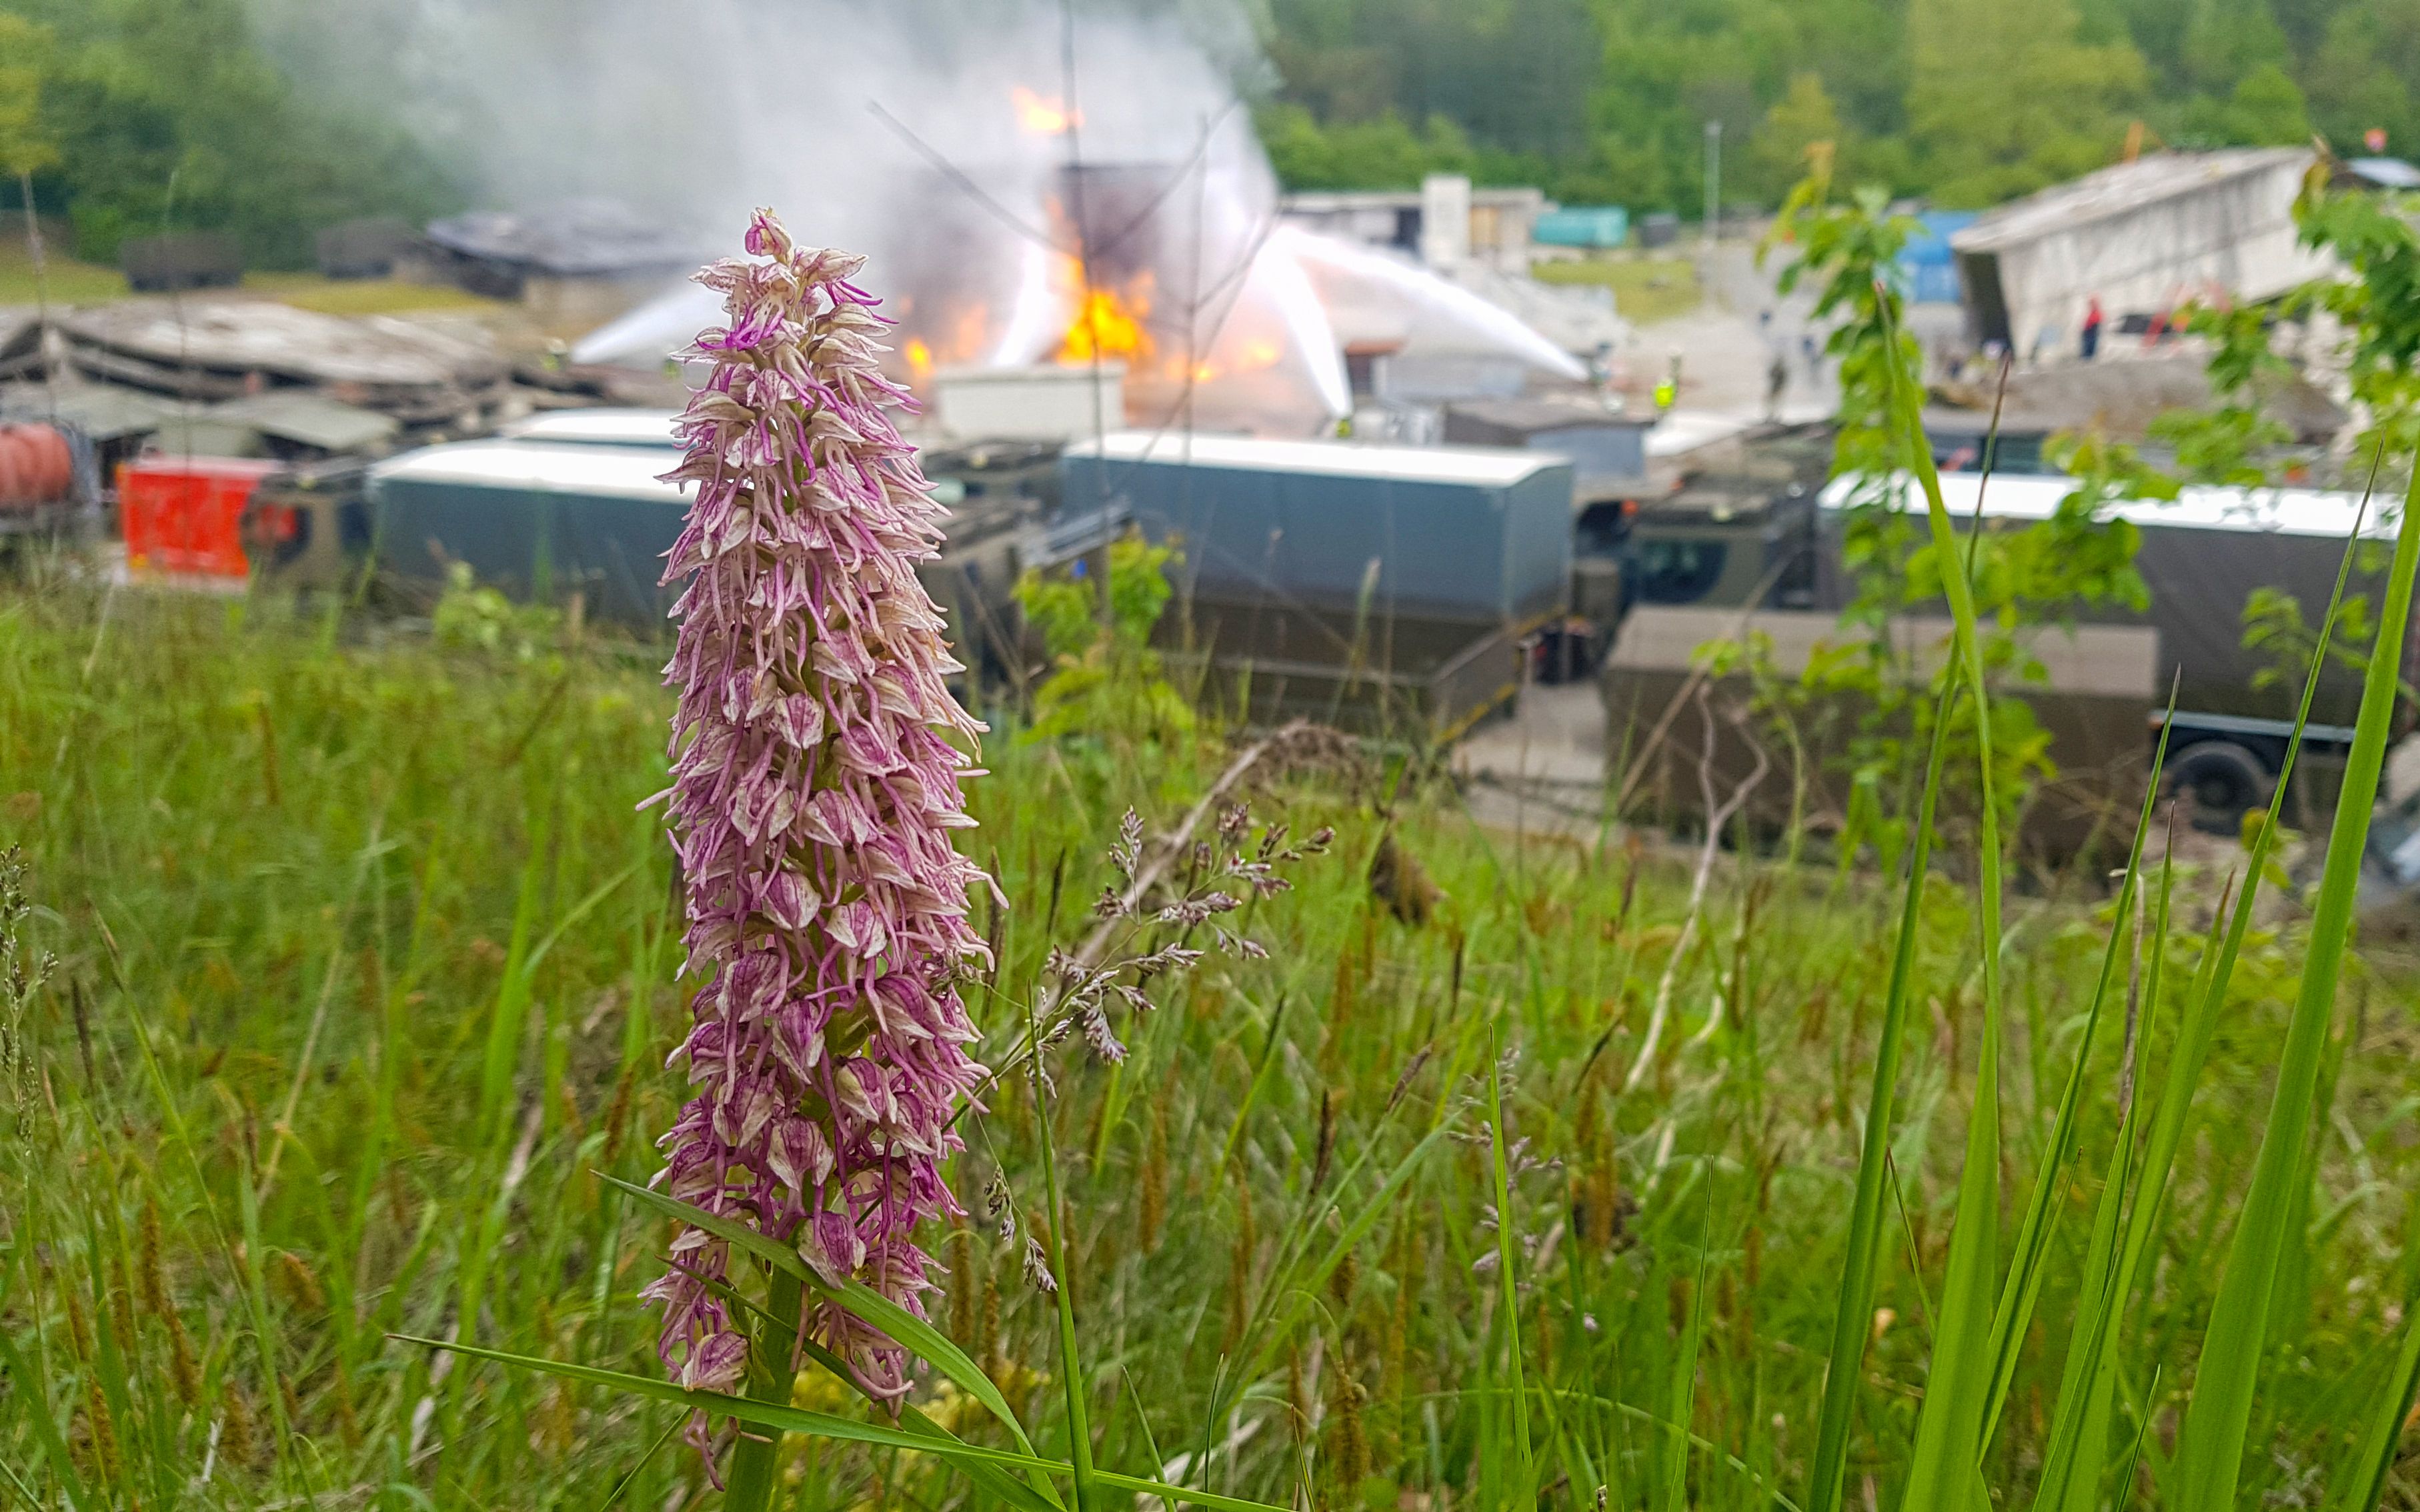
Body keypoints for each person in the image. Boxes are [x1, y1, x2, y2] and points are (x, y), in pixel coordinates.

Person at [2081, 296, 2105, 361]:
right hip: (2088, 331)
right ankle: (2087, 357)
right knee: (2087, 346)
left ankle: (2089, 357)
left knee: (2090, 345)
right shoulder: (2092, 313)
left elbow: (2098, 321)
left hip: (2092, 330)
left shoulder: (2097, 313)